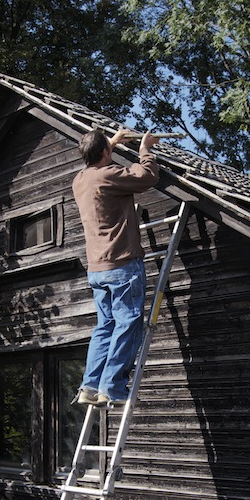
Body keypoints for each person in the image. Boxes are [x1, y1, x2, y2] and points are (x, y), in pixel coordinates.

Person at [73, 127, 160, 406]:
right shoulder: (109, 175)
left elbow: (96, 158)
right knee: (128, 323)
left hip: (97, 269)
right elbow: (148, 176)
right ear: (106, 154)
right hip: (122, 264)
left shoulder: (80, 180)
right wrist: (145, 148)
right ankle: (112, 387)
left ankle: (89, 386)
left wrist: (110, 142)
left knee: (105, 326)